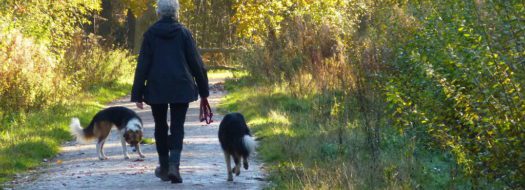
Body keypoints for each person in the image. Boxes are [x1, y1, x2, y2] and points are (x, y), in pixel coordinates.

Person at [130, 0, 209, 183]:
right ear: (176, 11)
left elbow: (143, 65)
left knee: (160, 126)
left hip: (157, 87)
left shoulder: (150, 34)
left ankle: (164, 167)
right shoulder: (184, 33)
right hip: (181, 86)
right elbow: (196, 63)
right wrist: (204, 91)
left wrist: (138, 93)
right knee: (177, 126)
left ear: (158, 12)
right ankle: (175, 165)